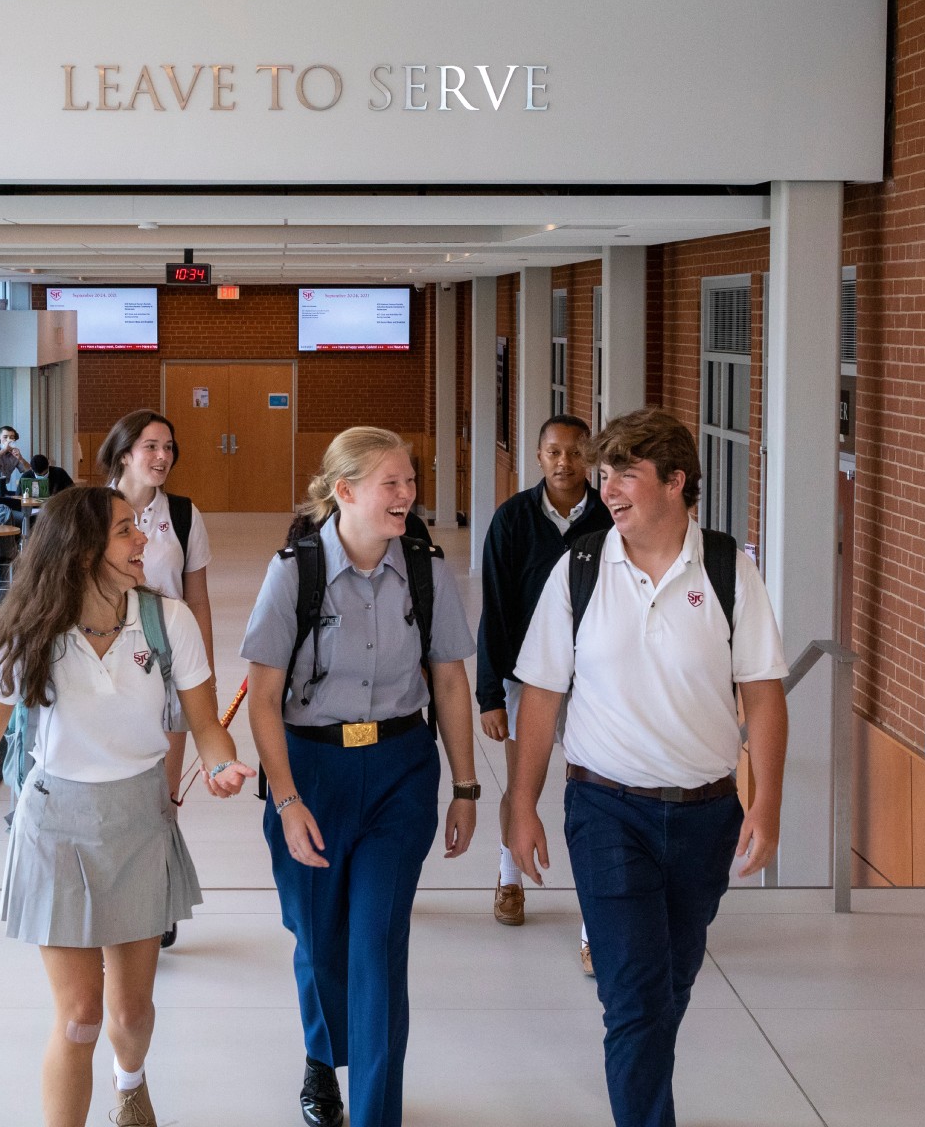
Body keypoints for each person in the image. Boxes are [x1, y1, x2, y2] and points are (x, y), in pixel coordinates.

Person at [0, 487, 250, 1127]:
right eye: (127, 532)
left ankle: (130, 1081)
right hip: (54, 827)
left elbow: (206, 722)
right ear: (80, 553)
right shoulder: (28, 635)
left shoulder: (168, 622)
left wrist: (219, 763)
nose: (146, 542)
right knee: (80, 1017)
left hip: (137, 822)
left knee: (131, 1015)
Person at [508, 408, 788, 1127]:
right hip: (606, 807)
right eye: (603, 475)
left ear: (676, 482)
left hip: (707, 814)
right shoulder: (579, 570)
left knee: (668, 983)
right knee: (632, 996)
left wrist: (766, 805)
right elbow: (541, 694)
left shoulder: (729, 569)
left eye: (625, 473)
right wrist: (521, 805)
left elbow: (762, 693)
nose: (607, 488)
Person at [241, 426, 479, 1127]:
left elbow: (450, 682)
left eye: (410, 481)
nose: (407, 496)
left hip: (401, 772)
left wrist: (465, 786)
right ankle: (323, 1059)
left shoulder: (427, 571)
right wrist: (285, 800)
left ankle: (377, 1112)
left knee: (376, 941)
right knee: (317, 935)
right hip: (310, 770)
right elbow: (261, 697)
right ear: (344, 492)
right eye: (391, 484)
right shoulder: (295, 572)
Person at [475, 414, 610, 969]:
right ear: (538, 457)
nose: (564, 462)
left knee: (595, 795)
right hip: (527, 680)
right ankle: (509, 878)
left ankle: (595, 917)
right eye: (554, 451)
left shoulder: (610, 519)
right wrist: (489, 694)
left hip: (594, 682)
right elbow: (495, 611)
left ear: (591, 459)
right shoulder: (511, 520)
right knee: (521, 785)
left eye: (576, 452)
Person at [98, 409, 214, 949]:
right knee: (110, 785)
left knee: (161, 794)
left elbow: (197, 600)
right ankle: (107, 899)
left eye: (169, 447)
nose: (163, 456)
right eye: (150, 446)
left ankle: (156, 901)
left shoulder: (185, 516)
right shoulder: (91, 512)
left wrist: (203, 679)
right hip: (105, 661)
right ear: (124, 453)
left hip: (168, 659)